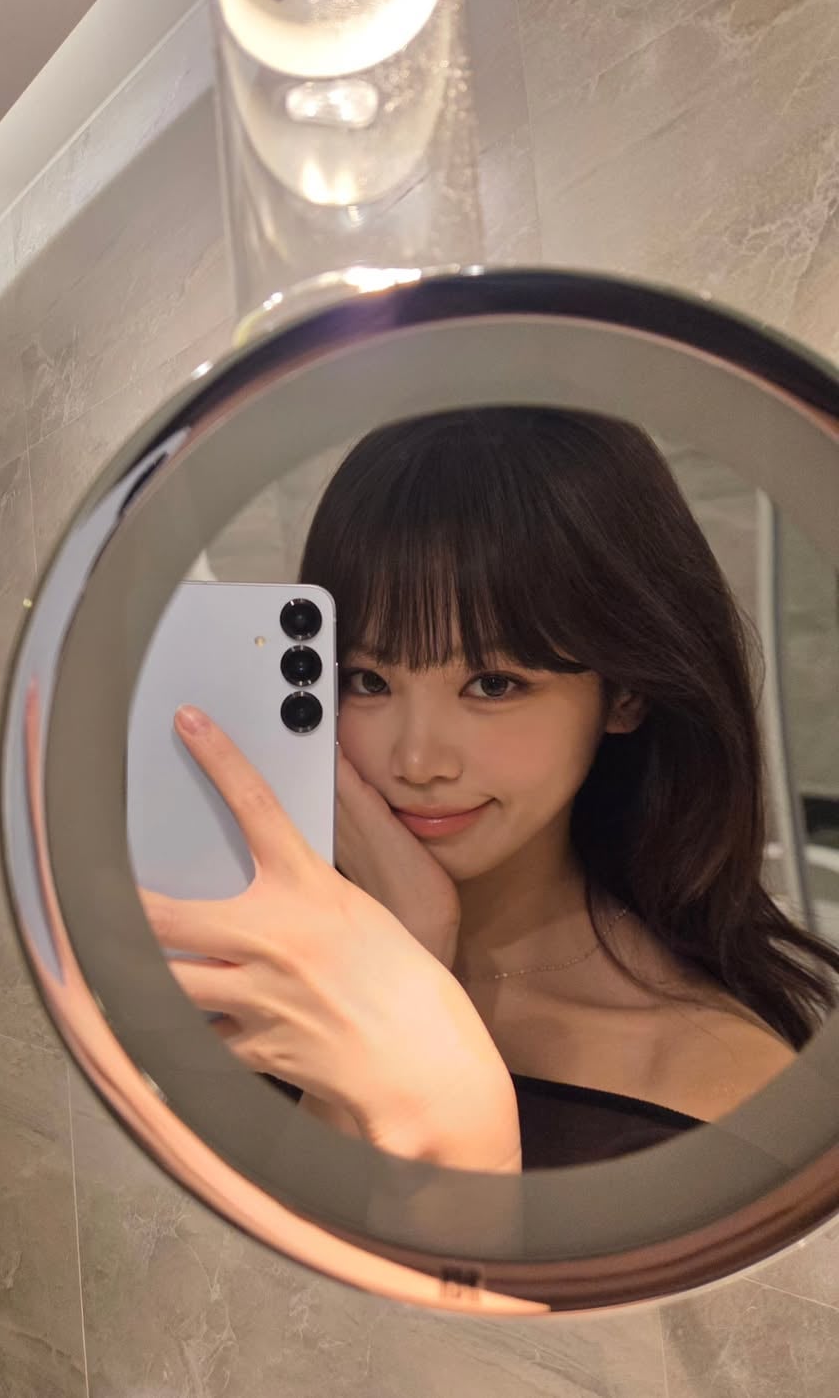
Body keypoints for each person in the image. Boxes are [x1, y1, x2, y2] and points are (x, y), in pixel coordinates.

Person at [139, 407, 839, 1171]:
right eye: (368, 679)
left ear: (626, 693)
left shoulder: (720, 1095)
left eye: (494, 684)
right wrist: (400, 945)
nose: (417, 760)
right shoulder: (254, 966)